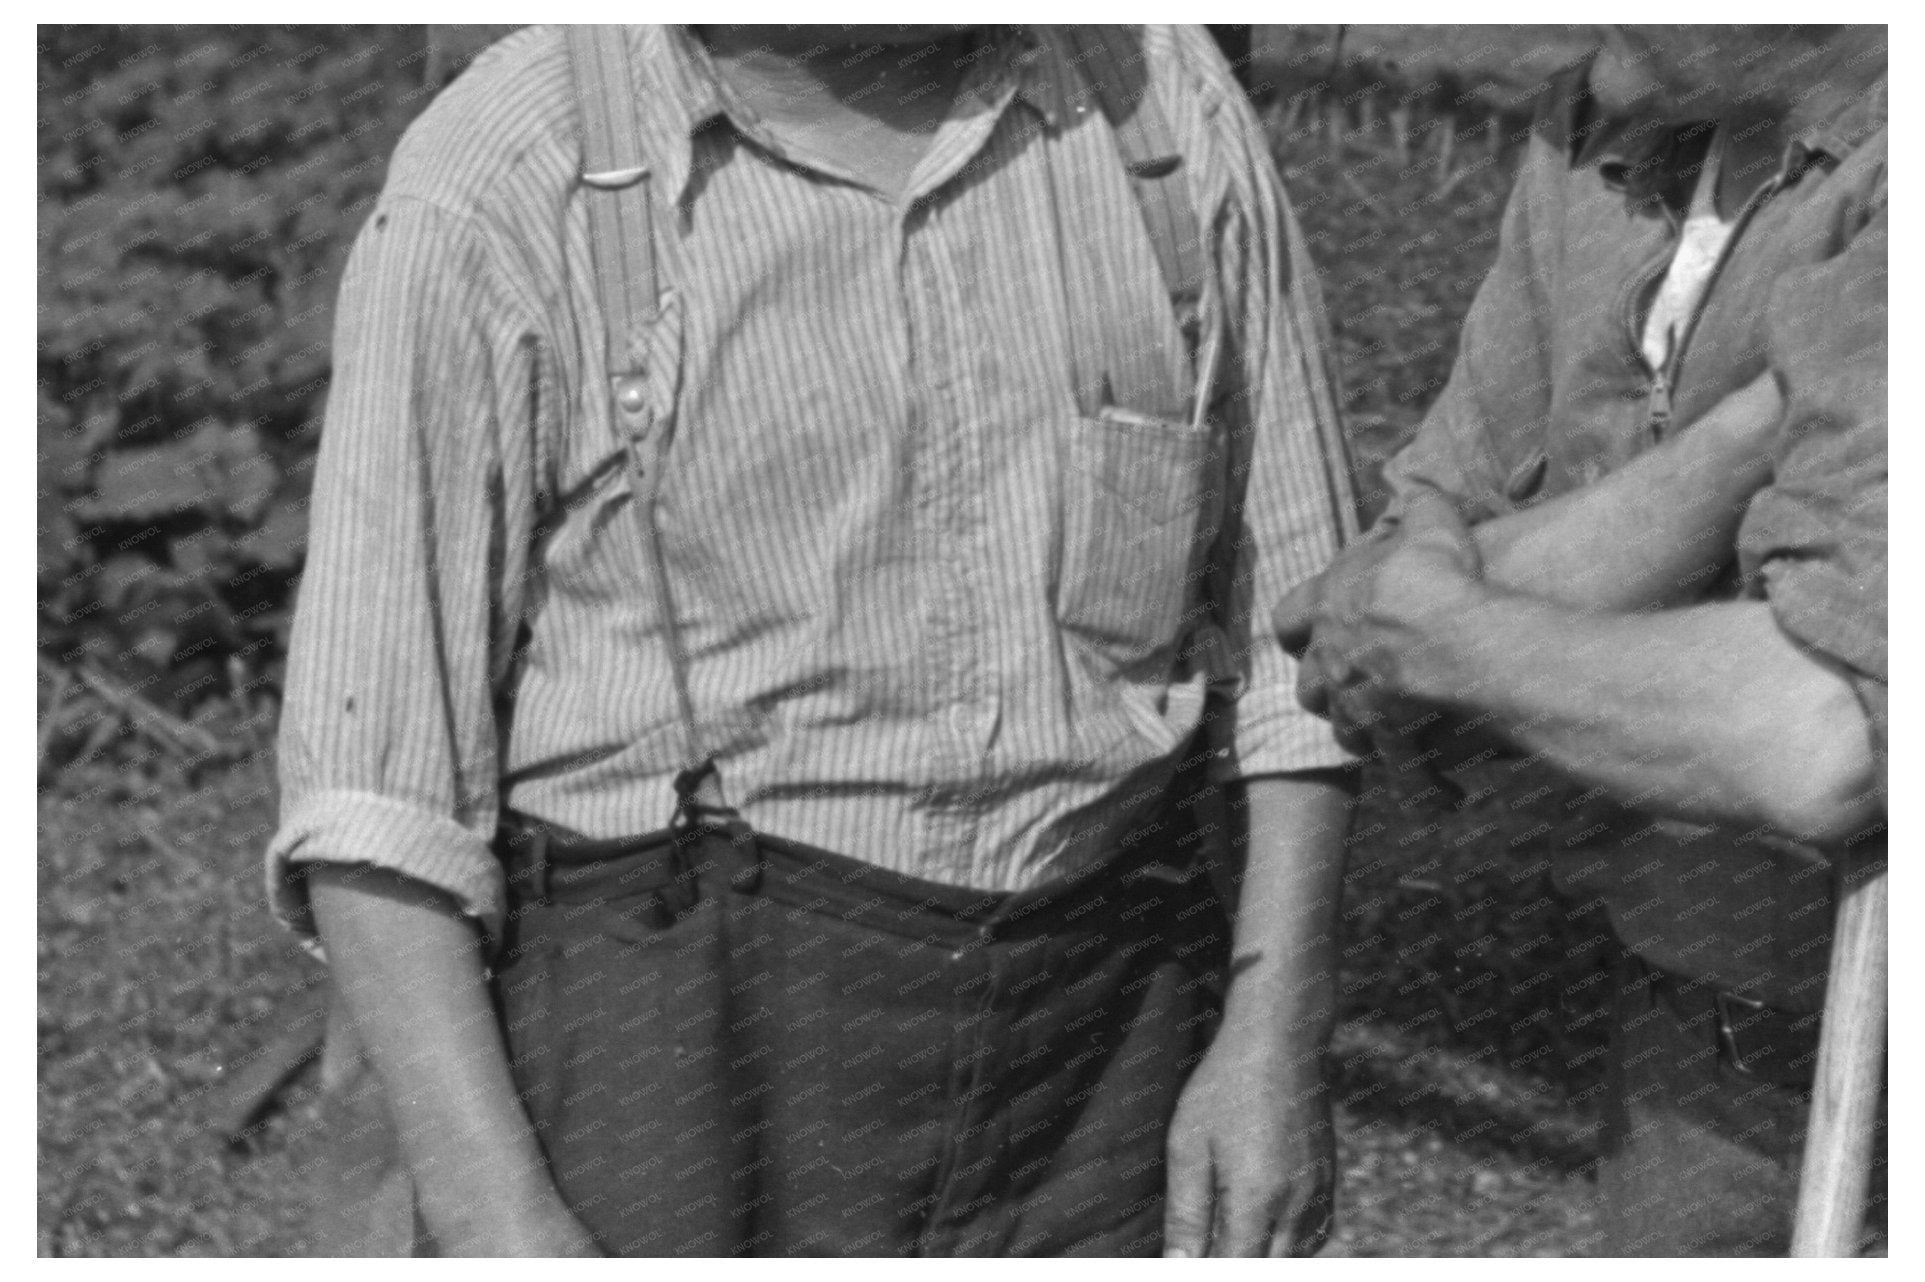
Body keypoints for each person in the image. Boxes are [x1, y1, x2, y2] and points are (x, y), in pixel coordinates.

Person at [268, 24, 1360, 1257]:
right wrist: (500, 1221)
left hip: (1098, 1044)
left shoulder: (1153, 97)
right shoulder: (509, 170)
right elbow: (377, 795)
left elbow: (1303, 651)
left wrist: (1274, 1041)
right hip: (687, 1055)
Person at [1275, 25, 1886, 1256]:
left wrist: (1454, 638)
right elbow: (1356, 615)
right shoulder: (1604, 125)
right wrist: (1738, 448)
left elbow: (1825, 730)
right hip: (1704, 1021)